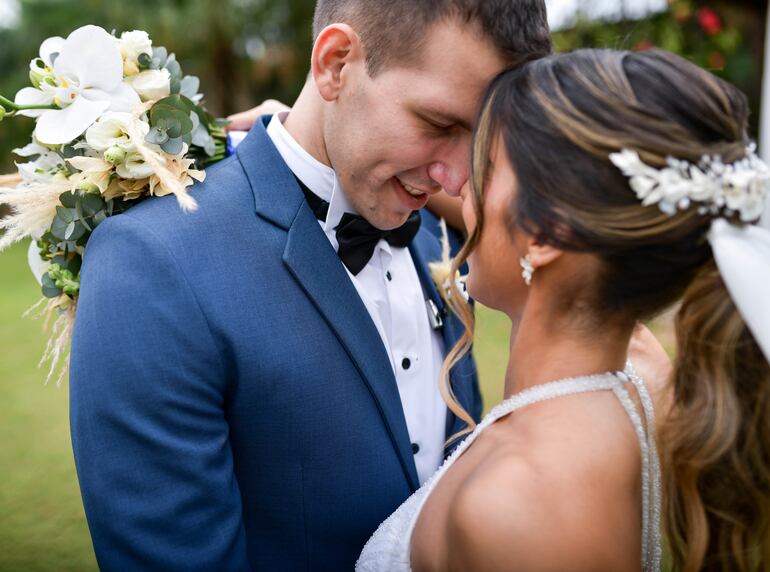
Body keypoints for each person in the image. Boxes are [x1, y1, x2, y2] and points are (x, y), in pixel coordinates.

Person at [68, 1, 552, 570]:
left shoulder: (437, 245)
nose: (456, 176)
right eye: (439, 124)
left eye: (477, 138)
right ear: (336, 63)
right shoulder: (151, 262)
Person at [356, 49, 770, 571]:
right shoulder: (642, 378)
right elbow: (513, 224)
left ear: (549, 232)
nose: (460, 185)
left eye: (484, 167)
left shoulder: (519, 511)